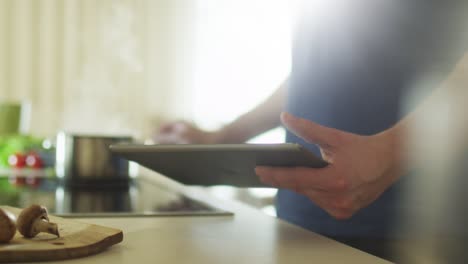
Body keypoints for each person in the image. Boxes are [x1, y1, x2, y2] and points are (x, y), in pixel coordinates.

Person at [156, 1, 468, 260]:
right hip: (298, 220)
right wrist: (223, 137)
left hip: (409, 227)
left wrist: (391, 152)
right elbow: (314, 71)